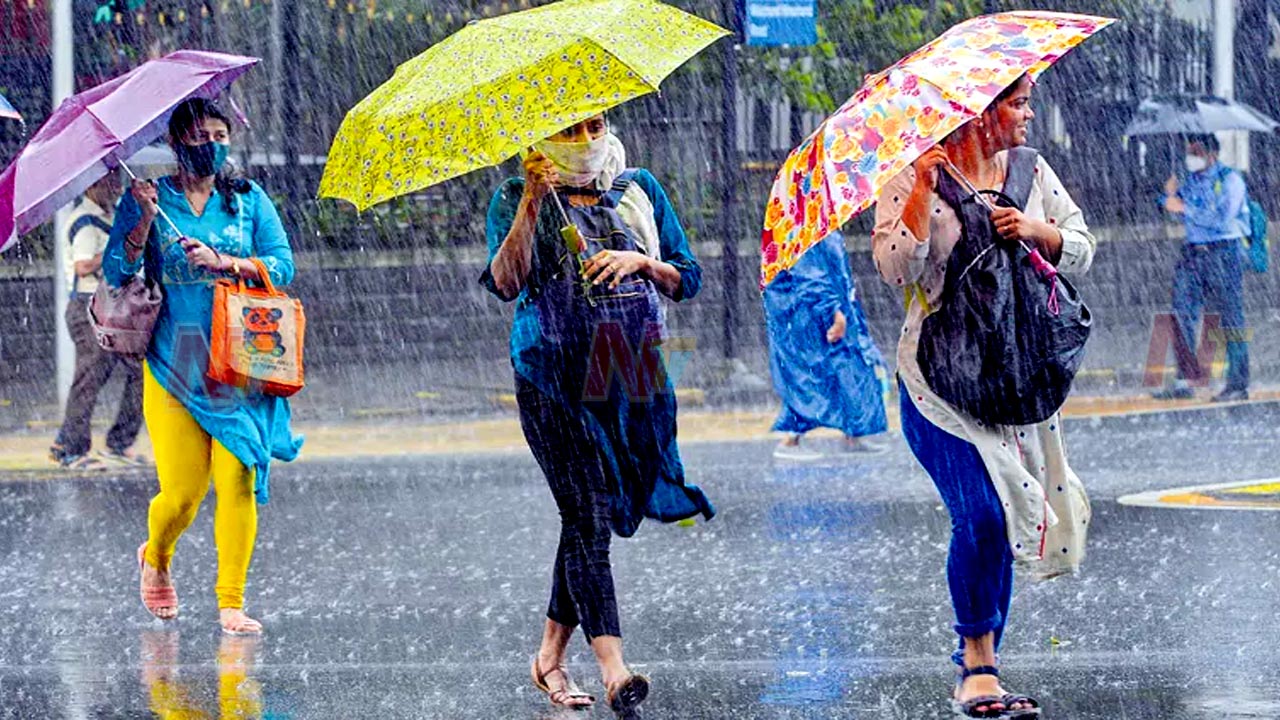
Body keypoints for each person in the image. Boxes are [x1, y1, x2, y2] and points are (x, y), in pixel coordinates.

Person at [873, 74, 1094, 718]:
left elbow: (1081, 248)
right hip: (937, 385)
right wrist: (918, 188)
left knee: (1009, 514)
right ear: (976, 113)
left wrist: (1035, 230)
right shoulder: (914, 173)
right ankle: (977, 665)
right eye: (1016, 104)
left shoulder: (1029, 171)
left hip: (1012, 377)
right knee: (983, 515)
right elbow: (895, 270)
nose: (1027, 114)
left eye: (1026, 102)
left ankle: (986, 661)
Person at [482, 114, 713, 716]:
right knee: (584, 508)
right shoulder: (516, 195)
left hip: (630, 367)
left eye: (596, 126)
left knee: (597, 513)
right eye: (570, 130)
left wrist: (640, 264)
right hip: (550, 373)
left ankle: (548, 659)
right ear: (539, 139)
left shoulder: (639, 188)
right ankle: (614, 667)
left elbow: (688, 278)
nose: (585, 141)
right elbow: (506, 283)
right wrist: (533, 200)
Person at [103, 98, 302, 635]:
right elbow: (116, 271)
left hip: (242, 357)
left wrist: (229, 263)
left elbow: (283, 263)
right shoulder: (149, 198)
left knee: (238, 473)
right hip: (176, 359)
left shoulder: (248, 199)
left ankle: (231, 602)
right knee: (184, 494)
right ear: (175, 143)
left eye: (219, 133)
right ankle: (157, 555)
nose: (209, 143)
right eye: (197, 136)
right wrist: (141, 221)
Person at [48, 172, 148, 470]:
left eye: (118, 182)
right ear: (92, 185)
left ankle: (118, 442)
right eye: (110, 183)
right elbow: (82, 267)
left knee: (141, 372)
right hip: (88, 307)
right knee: (90, 378)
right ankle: (70, 449)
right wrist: (113, 254)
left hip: (116, 308)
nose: (116, 188)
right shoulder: (84, 220)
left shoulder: (114, 215)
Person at [764, 230, 887, 461]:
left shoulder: (822, 227)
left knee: (847, 370)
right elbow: (811, 276)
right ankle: (791, 438)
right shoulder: (805, 227)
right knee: (811, 376)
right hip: (810, 317)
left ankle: (853, 433)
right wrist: (832, 310)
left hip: (824, 312)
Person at [1152, 133, 1251, 403]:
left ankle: (1238, 383)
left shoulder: (1230, 180)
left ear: (1212, 154)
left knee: (1231, 316)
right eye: (1189, 152)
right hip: (1193, 253)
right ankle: (1185, 378)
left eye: (1196, 152)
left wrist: (1183, 207)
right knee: (1182, 313)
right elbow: (1169, 204)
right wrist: (1167, 195)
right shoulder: (1190, 180)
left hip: (1223, 252)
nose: (1191, 158)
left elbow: (1221, 218)